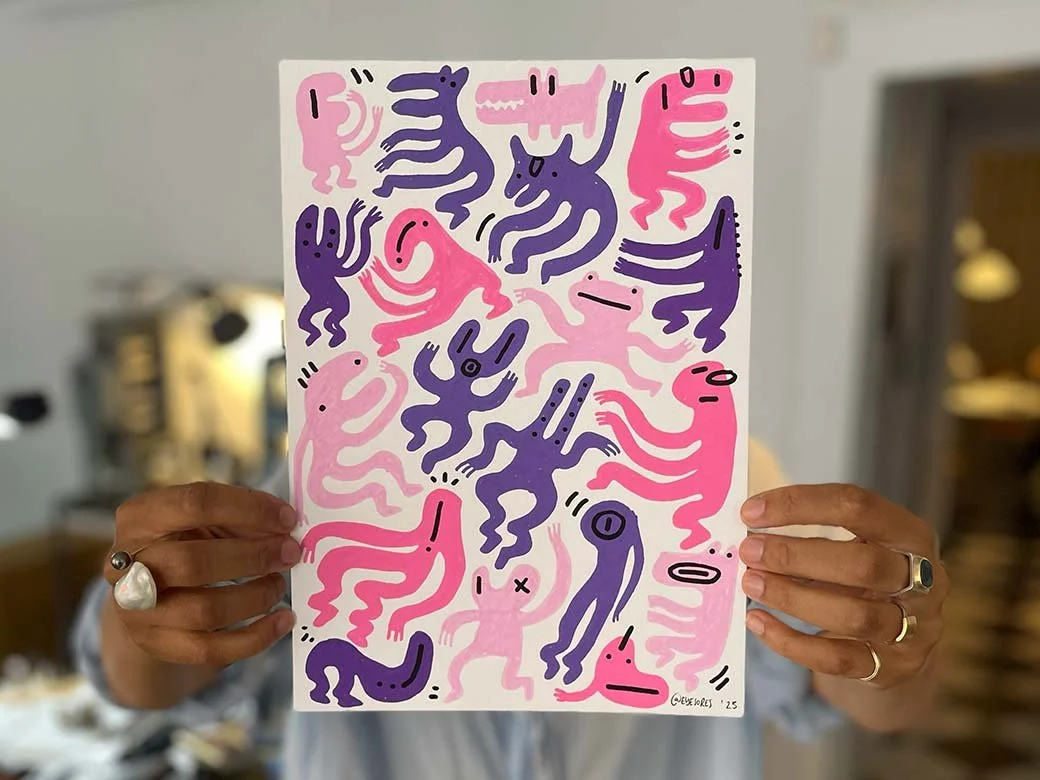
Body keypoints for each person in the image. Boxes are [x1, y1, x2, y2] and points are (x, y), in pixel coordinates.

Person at [73, 439, 947, 780]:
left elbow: (857, 694)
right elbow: (144, 681)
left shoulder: (722, 480)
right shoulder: (329, 478)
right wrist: (146, 600)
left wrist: (897, 635)